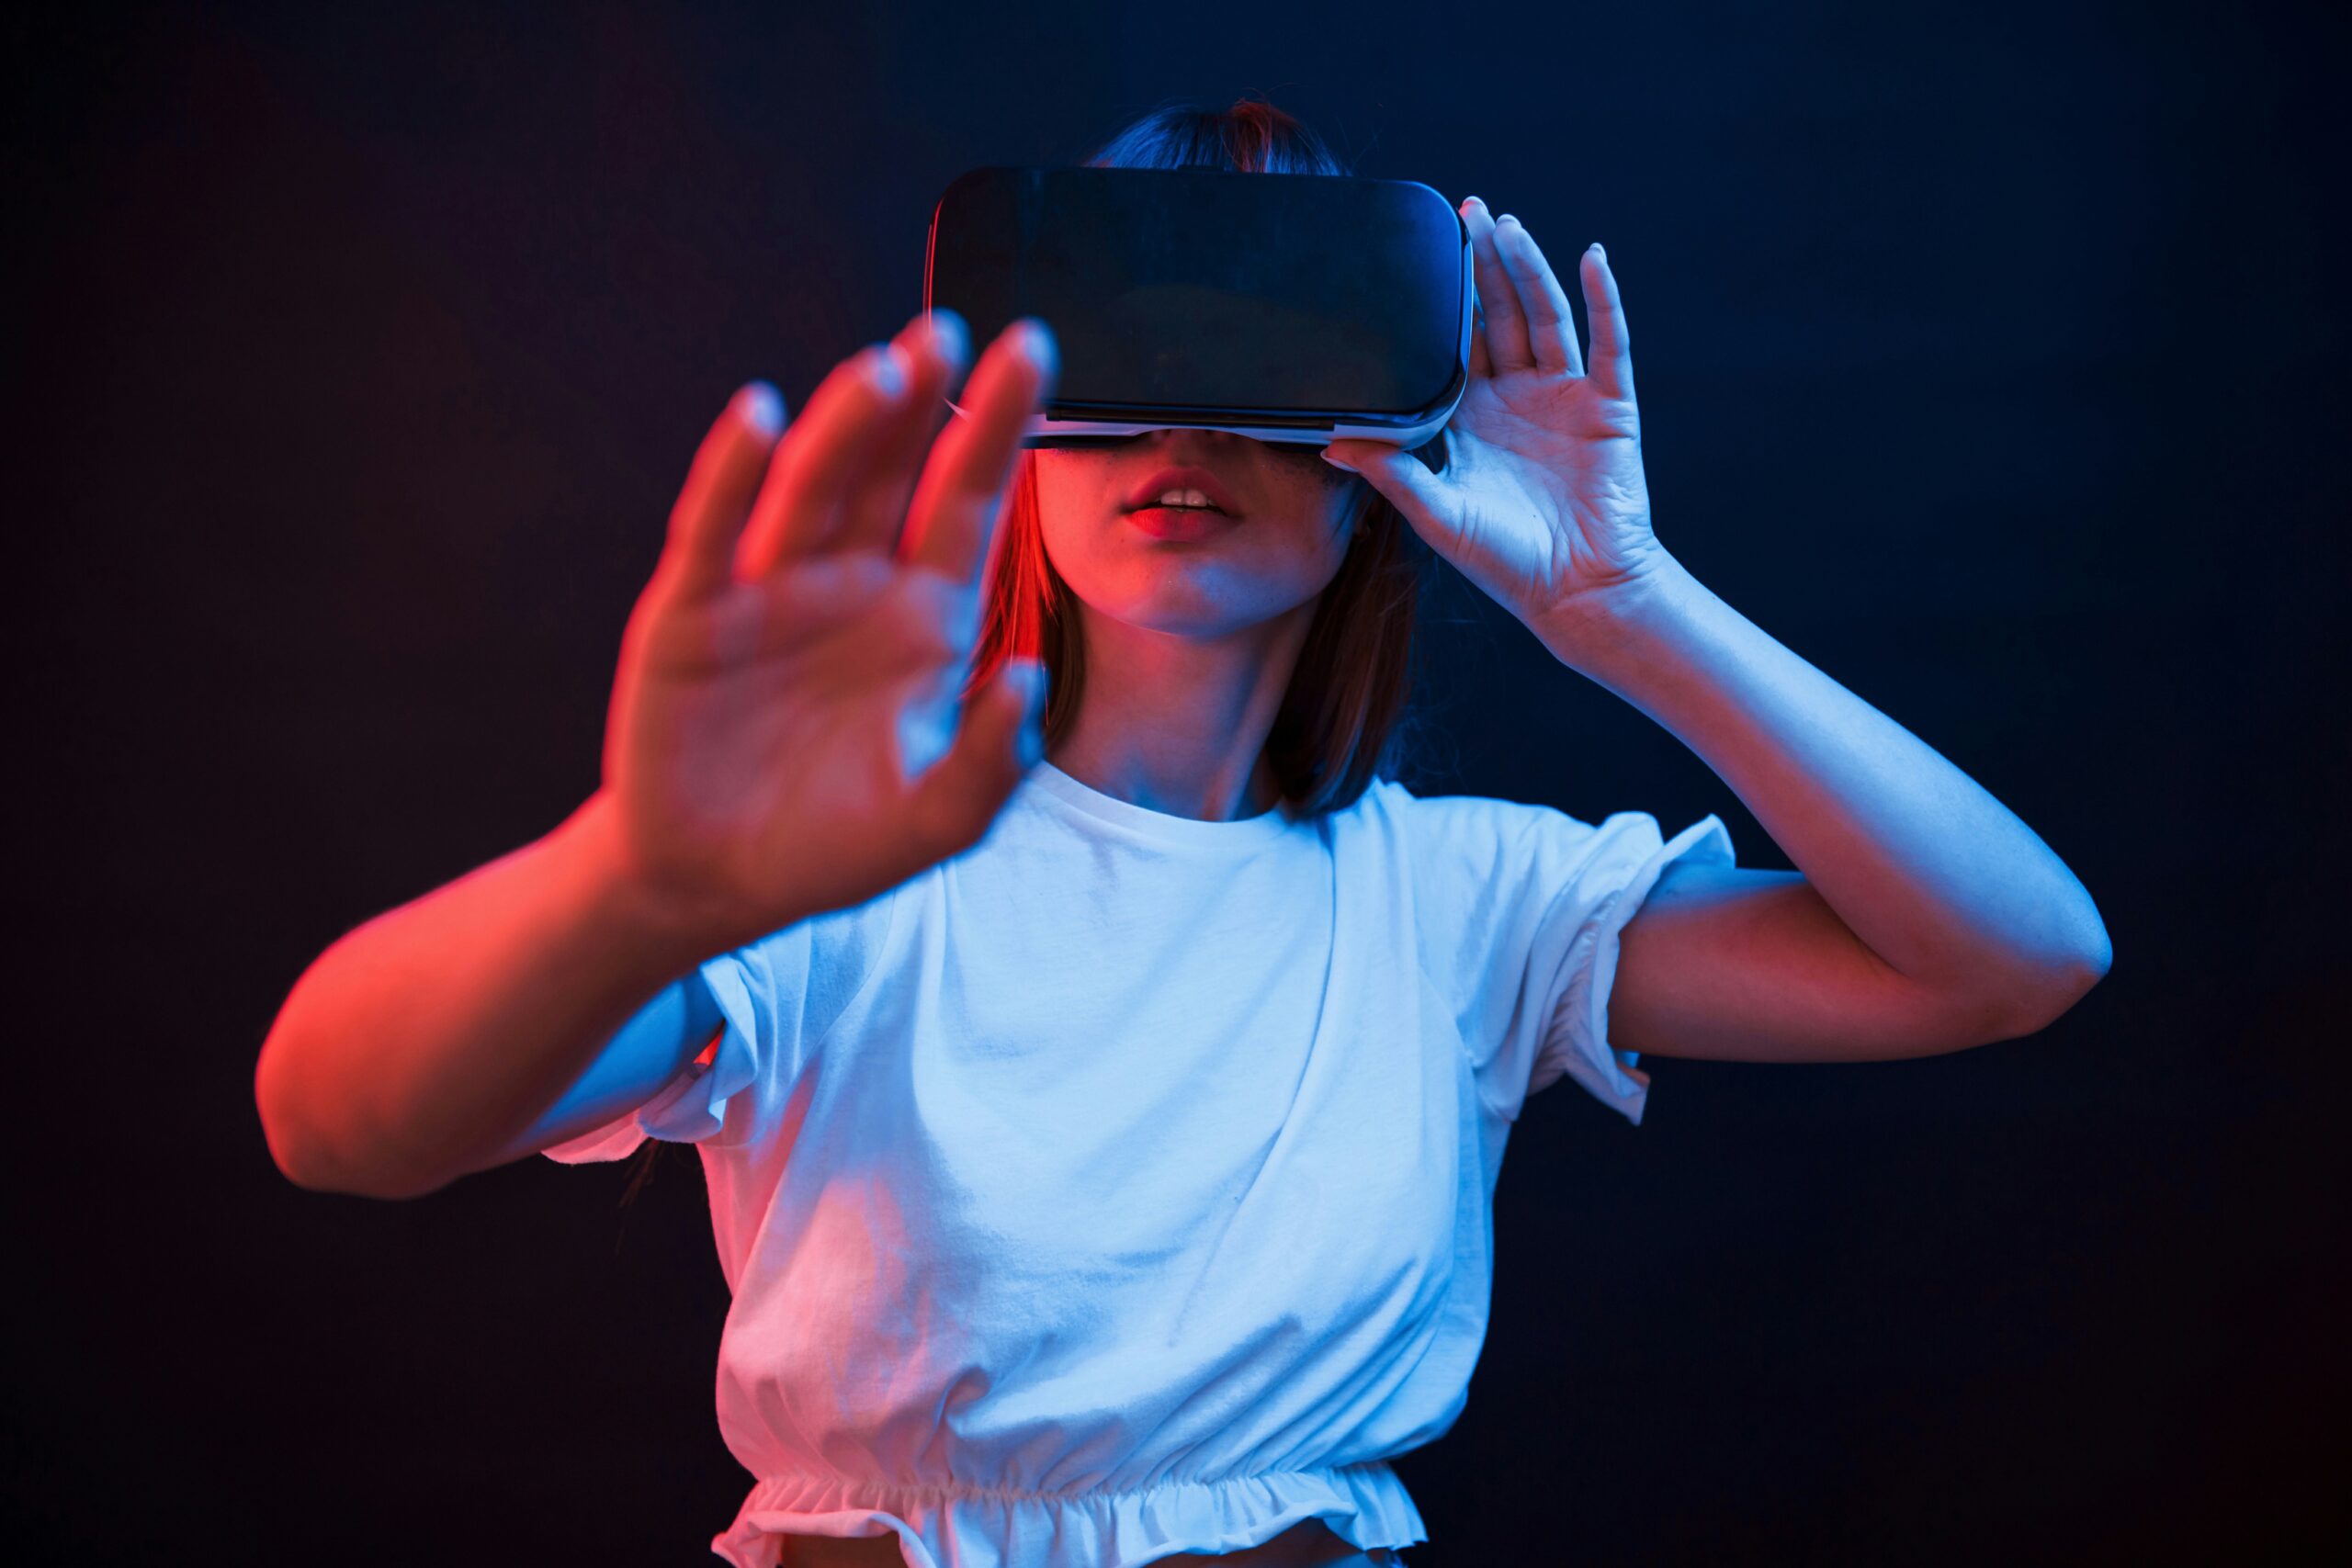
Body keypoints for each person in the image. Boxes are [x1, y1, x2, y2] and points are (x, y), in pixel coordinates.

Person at [253, 99, 2111, 1568]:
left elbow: (2013, 960)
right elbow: (335, 1120)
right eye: (1123, 352)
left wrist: (1622, 599)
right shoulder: (829, 868)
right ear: (1017, 420)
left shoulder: (1466, 902)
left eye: (1268, 370)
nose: (1186, 430)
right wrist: (640, 874)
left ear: (1379, 449)